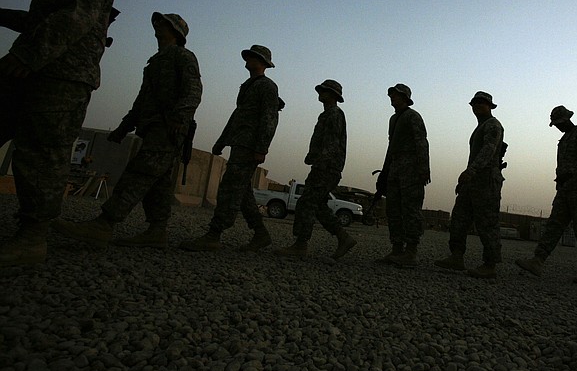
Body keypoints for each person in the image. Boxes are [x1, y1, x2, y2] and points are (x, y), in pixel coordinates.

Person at [0, 0, 115, 266]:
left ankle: (33, 237)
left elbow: (75, 16)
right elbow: (43, 19)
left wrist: (27, 53)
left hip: (60, 75)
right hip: (38, 68)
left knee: (42, 153)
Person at [53, 13, 202, 248]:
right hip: (153, 126)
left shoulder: (183, 57)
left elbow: (193, 91)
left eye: (164, 23)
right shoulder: (154, 63)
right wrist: (123, 127)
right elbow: (142, 101)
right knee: (158, 182)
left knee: (139, 172)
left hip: (169, 128)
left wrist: (179, 118)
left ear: (175, 31)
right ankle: (156, 230)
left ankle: (104, 224)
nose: (158, 26)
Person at [181, 45, 279, 252]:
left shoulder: (267, 86)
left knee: (229, 188)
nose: (247, 59)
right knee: (241, 190)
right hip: (239, 143)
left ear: (261, 61)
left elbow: (270, 119)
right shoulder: (248, 86)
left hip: (249, 146)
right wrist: (222, 140)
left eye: (252, 57)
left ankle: (214, 234)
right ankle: (260, 234)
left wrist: (261, 148)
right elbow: (237, 115)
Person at [516, 106, 577, 284]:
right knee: (554, 225)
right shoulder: (563, 141)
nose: (558, 127)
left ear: (567, 119)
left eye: (559, 123)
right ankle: (537, 261)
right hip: (565, 191)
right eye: (556, 124)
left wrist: (569, 172)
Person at [275, 80, 356, 259]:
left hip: (326, 168)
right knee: (318, 205)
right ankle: (344, 238)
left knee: (306, 202)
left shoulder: (334, 114)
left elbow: (332, 144)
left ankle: (300, 245)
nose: (321, 93)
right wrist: (312, 156)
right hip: (324, 165)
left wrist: (320, 163)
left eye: (325, 90)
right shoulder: (327, 114)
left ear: (334, 95)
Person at [435, 92, 505, 278]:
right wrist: (466, 180)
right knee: (459, 218)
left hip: (486, 181)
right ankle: (456, 257)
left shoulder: (493, 125)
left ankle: (490, 265)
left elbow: (488, 151)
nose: (477, 106)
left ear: (490, 106)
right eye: (474, 103)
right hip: (473, 182)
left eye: (481, 103)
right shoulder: (480, 127)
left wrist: (471, 171)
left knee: (487, 223)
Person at [375, 84, 430, 267]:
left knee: (411, 210)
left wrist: (424, 168)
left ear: (405, 97)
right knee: (393, 210)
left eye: (396, 95)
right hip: (395, 169)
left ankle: (411, 252)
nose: (392, 97)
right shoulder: (393, 119)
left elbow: (421, 141)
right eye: (391, 95)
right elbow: (391, 146)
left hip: (411, 170)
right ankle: (397, 249)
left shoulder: (412, 116)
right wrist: (384, 172)